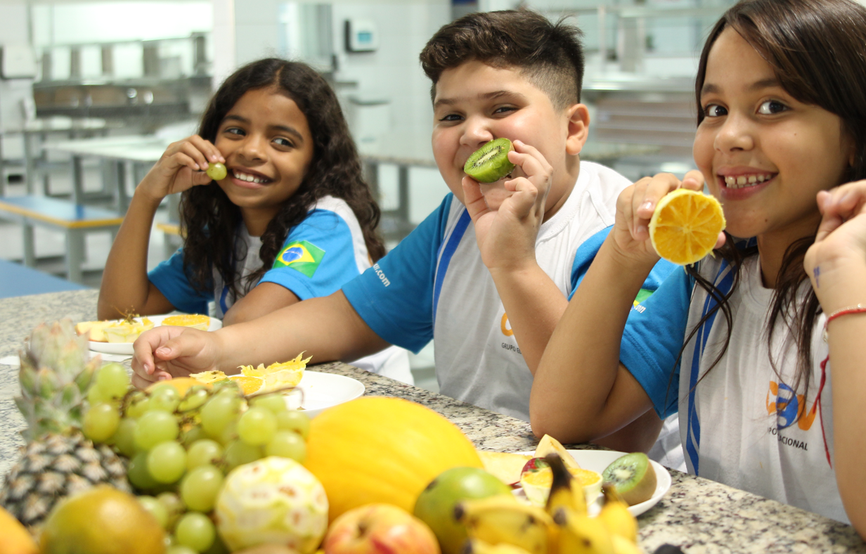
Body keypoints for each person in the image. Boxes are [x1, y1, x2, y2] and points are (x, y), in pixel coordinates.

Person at [529, 0, 866, 552]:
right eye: (714, 108)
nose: (728, 136)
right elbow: (563, 416)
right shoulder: (710, 279)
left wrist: (840, 275)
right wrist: (624, 257)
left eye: (772, 105)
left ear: (857, 137)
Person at [130, 10, 675, 449]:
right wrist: (214, 349)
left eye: (502, 107)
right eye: (450, 116)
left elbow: (611, 434)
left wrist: (513, 262)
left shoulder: (623, 234)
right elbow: (345, 316)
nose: (473, 133)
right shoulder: (456, 219)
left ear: (573, 127)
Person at [100, 58, 410, 383]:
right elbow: (118, 315)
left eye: (282, 141)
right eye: (236, 131)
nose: (251, 150)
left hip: (365, 403)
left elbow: (244, 328)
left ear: (316, 162)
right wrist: (147, 195)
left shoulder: (327, 225)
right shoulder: (224, 230)